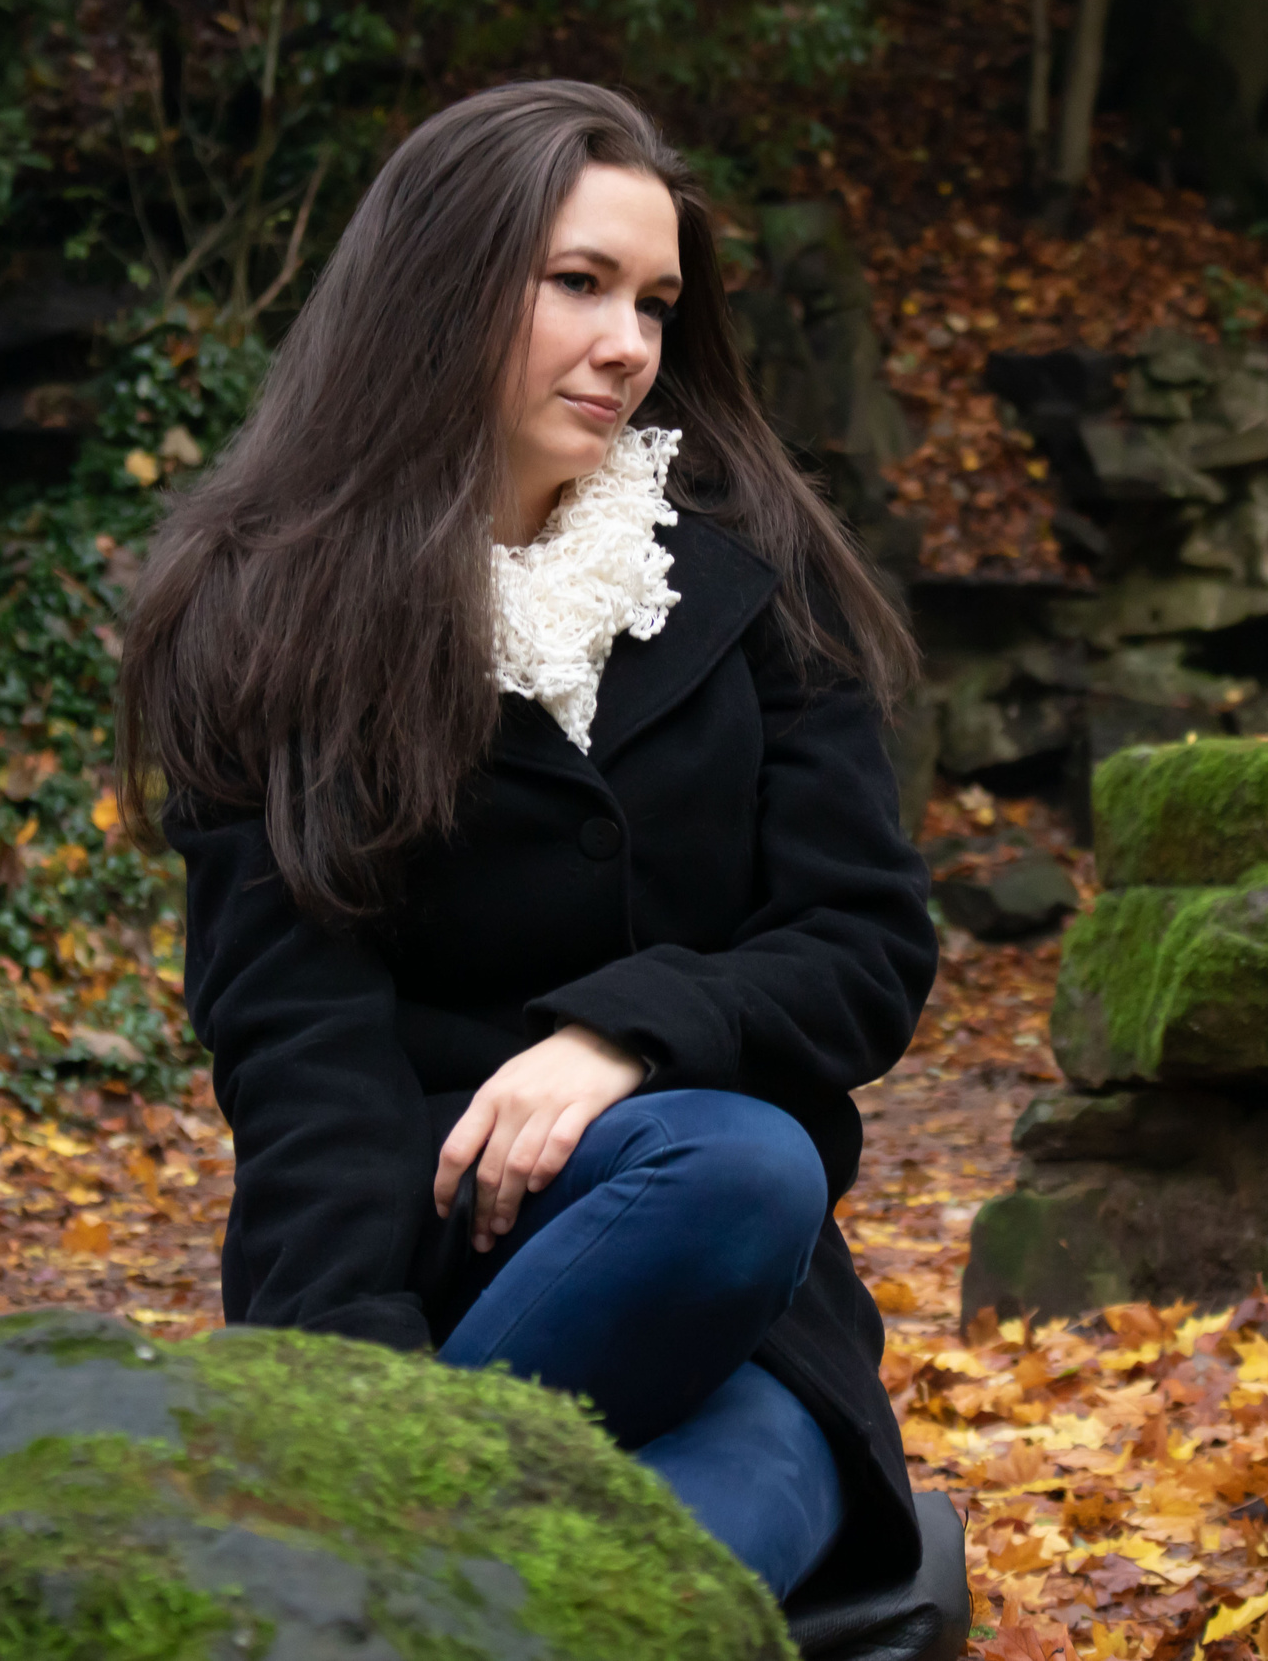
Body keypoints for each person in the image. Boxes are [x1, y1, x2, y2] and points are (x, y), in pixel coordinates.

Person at [114, 79, 939, 1605]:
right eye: (578, 283)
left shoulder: (759, 581)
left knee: (739, 1218)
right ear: (440, 285)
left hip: (736, 1295)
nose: (628, 344)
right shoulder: (263, 612)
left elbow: (866, 946)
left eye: (656, 302)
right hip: (418, 1266)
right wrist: (350, 1393)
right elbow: (298, 1051)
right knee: (730, 1201)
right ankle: (391, 1543)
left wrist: (621, 1040)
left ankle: (375, 1594)